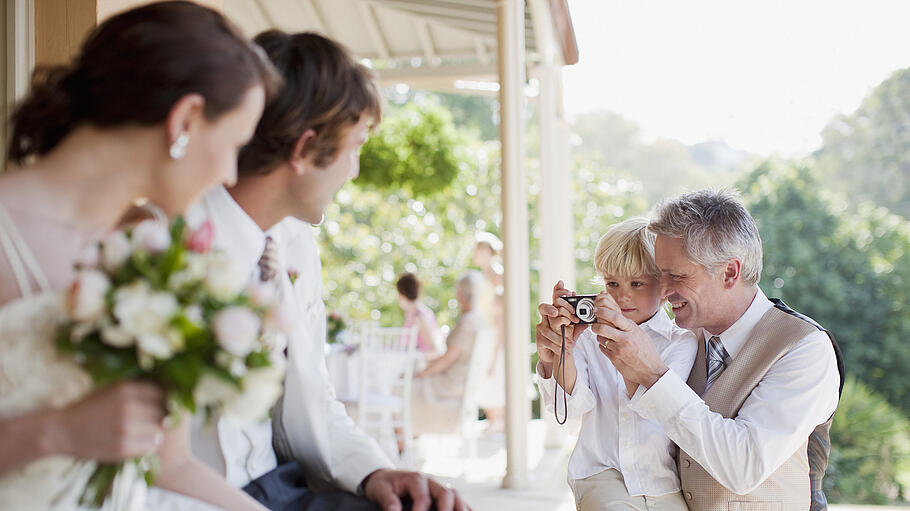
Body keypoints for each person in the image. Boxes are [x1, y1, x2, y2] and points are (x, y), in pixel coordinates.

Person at [0, 2, 279, 510]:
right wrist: (56, 432)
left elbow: (171, 466)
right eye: (234, 144)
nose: (230, 176)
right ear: (186, 119)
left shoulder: (154, 247)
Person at [186, 30, 468, 511]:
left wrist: (375, 471)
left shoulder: (295, 243)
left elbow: (313, 400)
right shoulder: (171, 242)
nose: (354, 170)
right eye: (355, 146)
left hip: (281, 486)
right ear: (304, 149)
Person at [536, 190, 844, 511]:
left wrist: (652, 374)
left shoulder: (805, 349)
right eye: (659, 275)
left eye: (676, 276)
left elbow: (744, 467)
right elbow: (584, 420)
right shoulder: (684, 336)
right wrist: (555, 356)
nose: (665, 291)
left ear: (729, 273)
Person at [536, 217, 696, 511]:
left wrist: (621, 330)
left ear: (663, 286)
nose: (622, 296)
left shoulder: (681, 342)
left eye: (636, 283)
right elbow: (571, 411)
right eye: (612, 283)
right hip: (600, 473)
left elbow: (656, 409)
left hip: (661, 480)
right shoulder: (586, 338)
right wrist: (562, 351)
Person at [411, 271, 488, 436]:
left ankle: (406, 442)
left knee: (407, 388)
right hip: (460, 381)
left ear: (461, 294)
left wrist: (423, 373)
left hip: (452, 384)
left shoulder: (468, 322)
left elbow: (447, 359)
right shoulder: (478, 319)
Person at [470, 233, 505, 428]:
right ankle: (495, 423)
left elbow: (500, 312)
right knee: (486, 380)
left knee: (495, 376)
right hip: (484, 333)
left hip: (495, 334)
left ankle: (498, 424)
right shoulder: (482, 277)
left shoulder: (497, 276)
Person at [396, 272, 442, 354]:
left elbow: (432, 347)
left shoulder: (419, 316)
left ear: (401, 295)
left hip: (420, 363)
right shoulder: (416, 313)